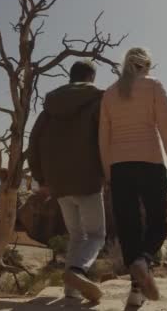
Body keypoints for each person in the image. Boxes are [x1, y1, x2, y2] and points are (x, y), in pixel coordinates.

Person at [99, 47, 167, 306]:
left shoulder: (110, 93)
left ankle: (136, 292)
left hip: (120, 168)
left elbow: (103, 139)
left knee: (129, 228)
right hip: (150, 163)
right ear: (145, 65)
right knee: (158, 223)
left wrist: (108, 173)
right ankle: (144, 261)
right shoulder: (153, 87)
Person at [28, 60, 106, 303]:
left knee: (76, 236)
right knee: (96, 235)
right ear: (91, 77)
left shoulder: (50, 107)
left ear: (71, 77)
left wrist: (41, 178)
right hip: (88, 180)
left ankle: (71, 291)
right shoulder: (97, 102)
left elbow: (33, 143)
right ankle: (77, 271)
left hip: (58, 184)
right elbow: (106, 138)